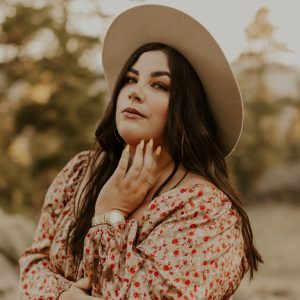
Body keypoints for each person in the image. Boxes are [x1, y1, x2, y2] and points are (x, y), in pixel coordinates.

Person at [19, 4, 263, 300]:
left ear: (188, 110)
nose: (134, 92)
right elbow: (33, 264)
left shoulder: (204, 213)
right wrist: (62, 297)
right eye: (130, 80)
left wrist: (108, 215)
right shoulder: (80, 171)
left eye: (159, 85)